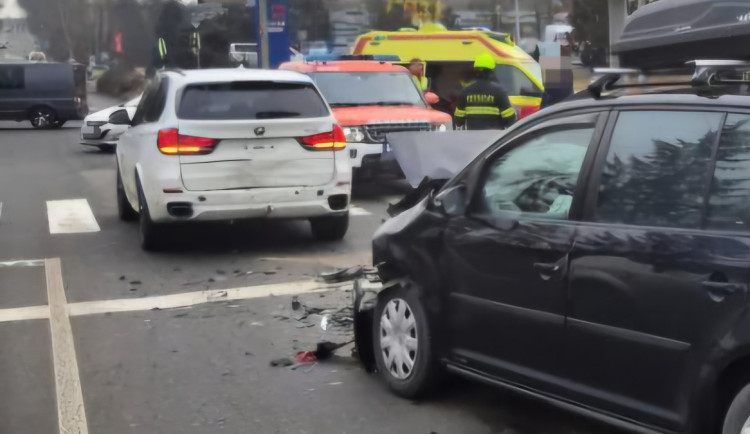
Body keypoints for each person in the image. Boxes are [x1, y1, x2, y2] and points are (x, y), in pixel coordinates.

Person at [454, 53, 517, 130]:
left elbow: (458, 121)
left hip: (472, 138)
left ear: (475, 70)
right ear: (491, 71)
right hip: (494, 139)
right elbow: (510, 120)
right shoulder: (499, 91)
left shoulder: (466, 91)